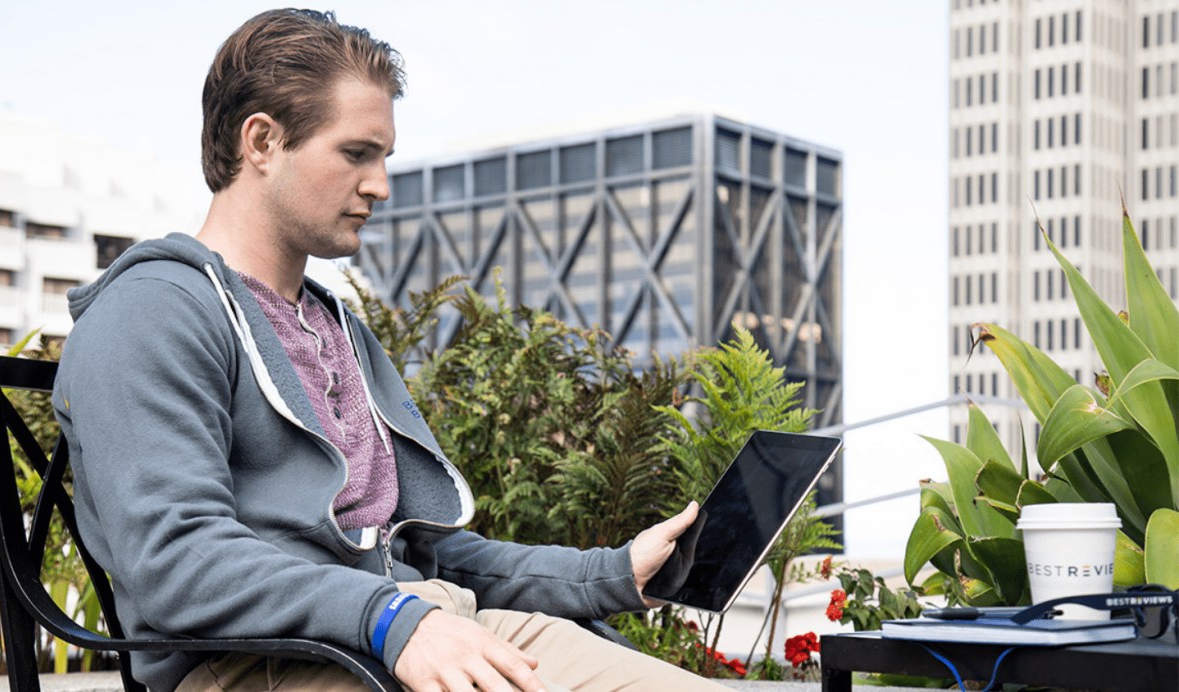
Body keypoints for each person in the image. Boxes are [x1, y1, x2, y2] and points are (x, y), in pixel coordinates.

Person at [53, 9, 726, 691]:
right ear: (261, 141)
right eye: (356, 153)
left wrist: (612, 572)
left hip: (417, 624)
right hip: (268, 660)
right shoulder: (154, 310)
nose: (380, 184)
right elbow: (177, 562)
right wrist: (390, 621)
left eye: (384, 157)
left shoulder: (334, 325)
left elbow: (425, 550)